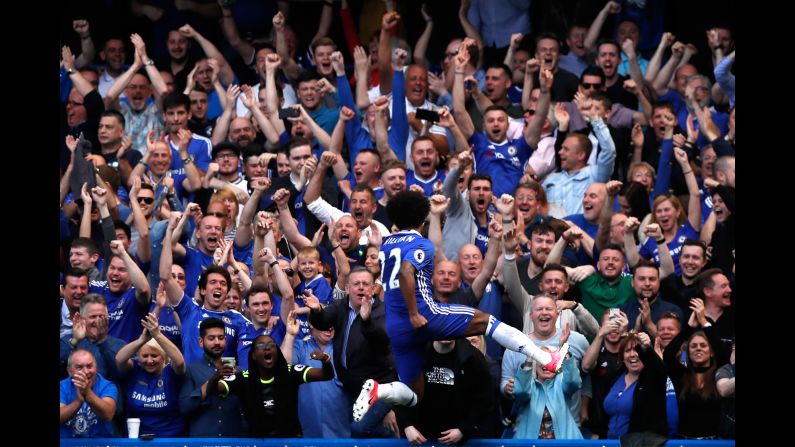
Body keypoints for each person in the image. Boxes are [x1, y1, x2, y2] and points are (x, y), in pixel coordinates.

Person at [352, 190, 568, 423]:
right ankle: (547, 359)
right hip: (425, 314)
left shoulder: (385, 246)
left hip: (396, 327)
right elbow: (406, 271)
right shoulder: (421, 243)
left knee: (414, 394)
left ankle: (379, 390)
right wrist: (415, 313)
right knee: (488, 322)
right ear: (421, 218)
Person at [306, 266, 399, 438]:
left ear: (372, 289)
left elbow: (381, 342)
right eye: (356, 284)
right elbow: (323, 322)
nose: (361, 287)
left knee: (359, 428)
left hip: (378, 387)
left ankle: (396, 435)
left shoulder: (383, 311)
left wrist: (366, 320)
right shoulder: (340, 306)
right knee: (356, 434)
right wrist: (317, 310)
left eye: (366, 284)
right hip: (351, 386)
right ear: (347, 288)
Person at [207, 334, 335, 437]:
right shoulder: (243, 378)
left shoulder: (291, 372)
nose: (267, 348)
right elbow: (213, 390)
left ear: (277, 352)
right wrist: (215, 377)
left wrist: (325, 360)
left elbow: (326, 375)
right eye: (261, 346)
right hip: (257, 442)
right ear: (253, 356)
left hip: (289, 441)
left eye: (271, 345)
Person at [398, 338, 497, 444]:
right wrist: (407, 425)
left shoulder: (472, 357)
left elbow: (484, 400)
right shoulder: (415, 353)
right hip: (419, 437)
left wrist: (463, 429)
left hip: (458, 438)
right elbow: (400, 391)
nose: (446, 330)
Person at [115, 306, 186, 437]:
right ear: (138, 357)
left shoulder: (170, 372)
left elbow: (180, 362)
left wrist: (157, 335)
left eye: (154, 356)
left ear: (164, 357)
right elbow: (119, 360)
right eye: (145, 356)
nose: (149, 360)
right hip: (138, 439)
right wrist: (142, 340)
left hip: (170, 440)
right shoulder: (134, 369)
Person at [178, 317, 247, 437]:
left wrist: (239, 381)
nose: (217, 342)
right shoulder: (191, 370)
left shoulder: (239, 371)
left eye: (221, 338)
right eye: (211, 338)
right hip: (203, 442)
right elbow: (184, 407)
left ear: (226, 340)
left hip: (234, 441)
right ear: (201, 341)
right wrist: (213, 380)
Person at [512, 333, 582, 440]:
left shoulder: (561, 383)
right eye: (542, 359)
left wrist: (564, 349)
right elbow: (521, 391)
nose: (546, 363)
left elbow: (573, 381)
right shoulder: (529, 385)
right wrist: (530, 356)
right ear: (535, 364)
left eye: (551, 359)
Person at [602, 331, 668, 439]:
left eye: (637, 350)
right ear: (622, 356)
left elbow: (661, 371)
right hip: (610, 443)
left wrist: (647, 348)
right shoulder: (614, 378)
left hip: (639, 444)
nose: (633, 354)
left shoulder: (653, 379)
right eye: (628, 350)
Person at [60, 349, 118, 438]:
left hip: (100, 443)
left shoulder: (107, 386)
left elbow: (108, 414)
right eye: (79, 367)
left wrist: (87, 392)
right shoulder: (62, 387)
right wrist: (78, 402)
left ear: (96, 367)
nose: (86, 372)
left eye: (89, 366)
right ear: (69, 371)